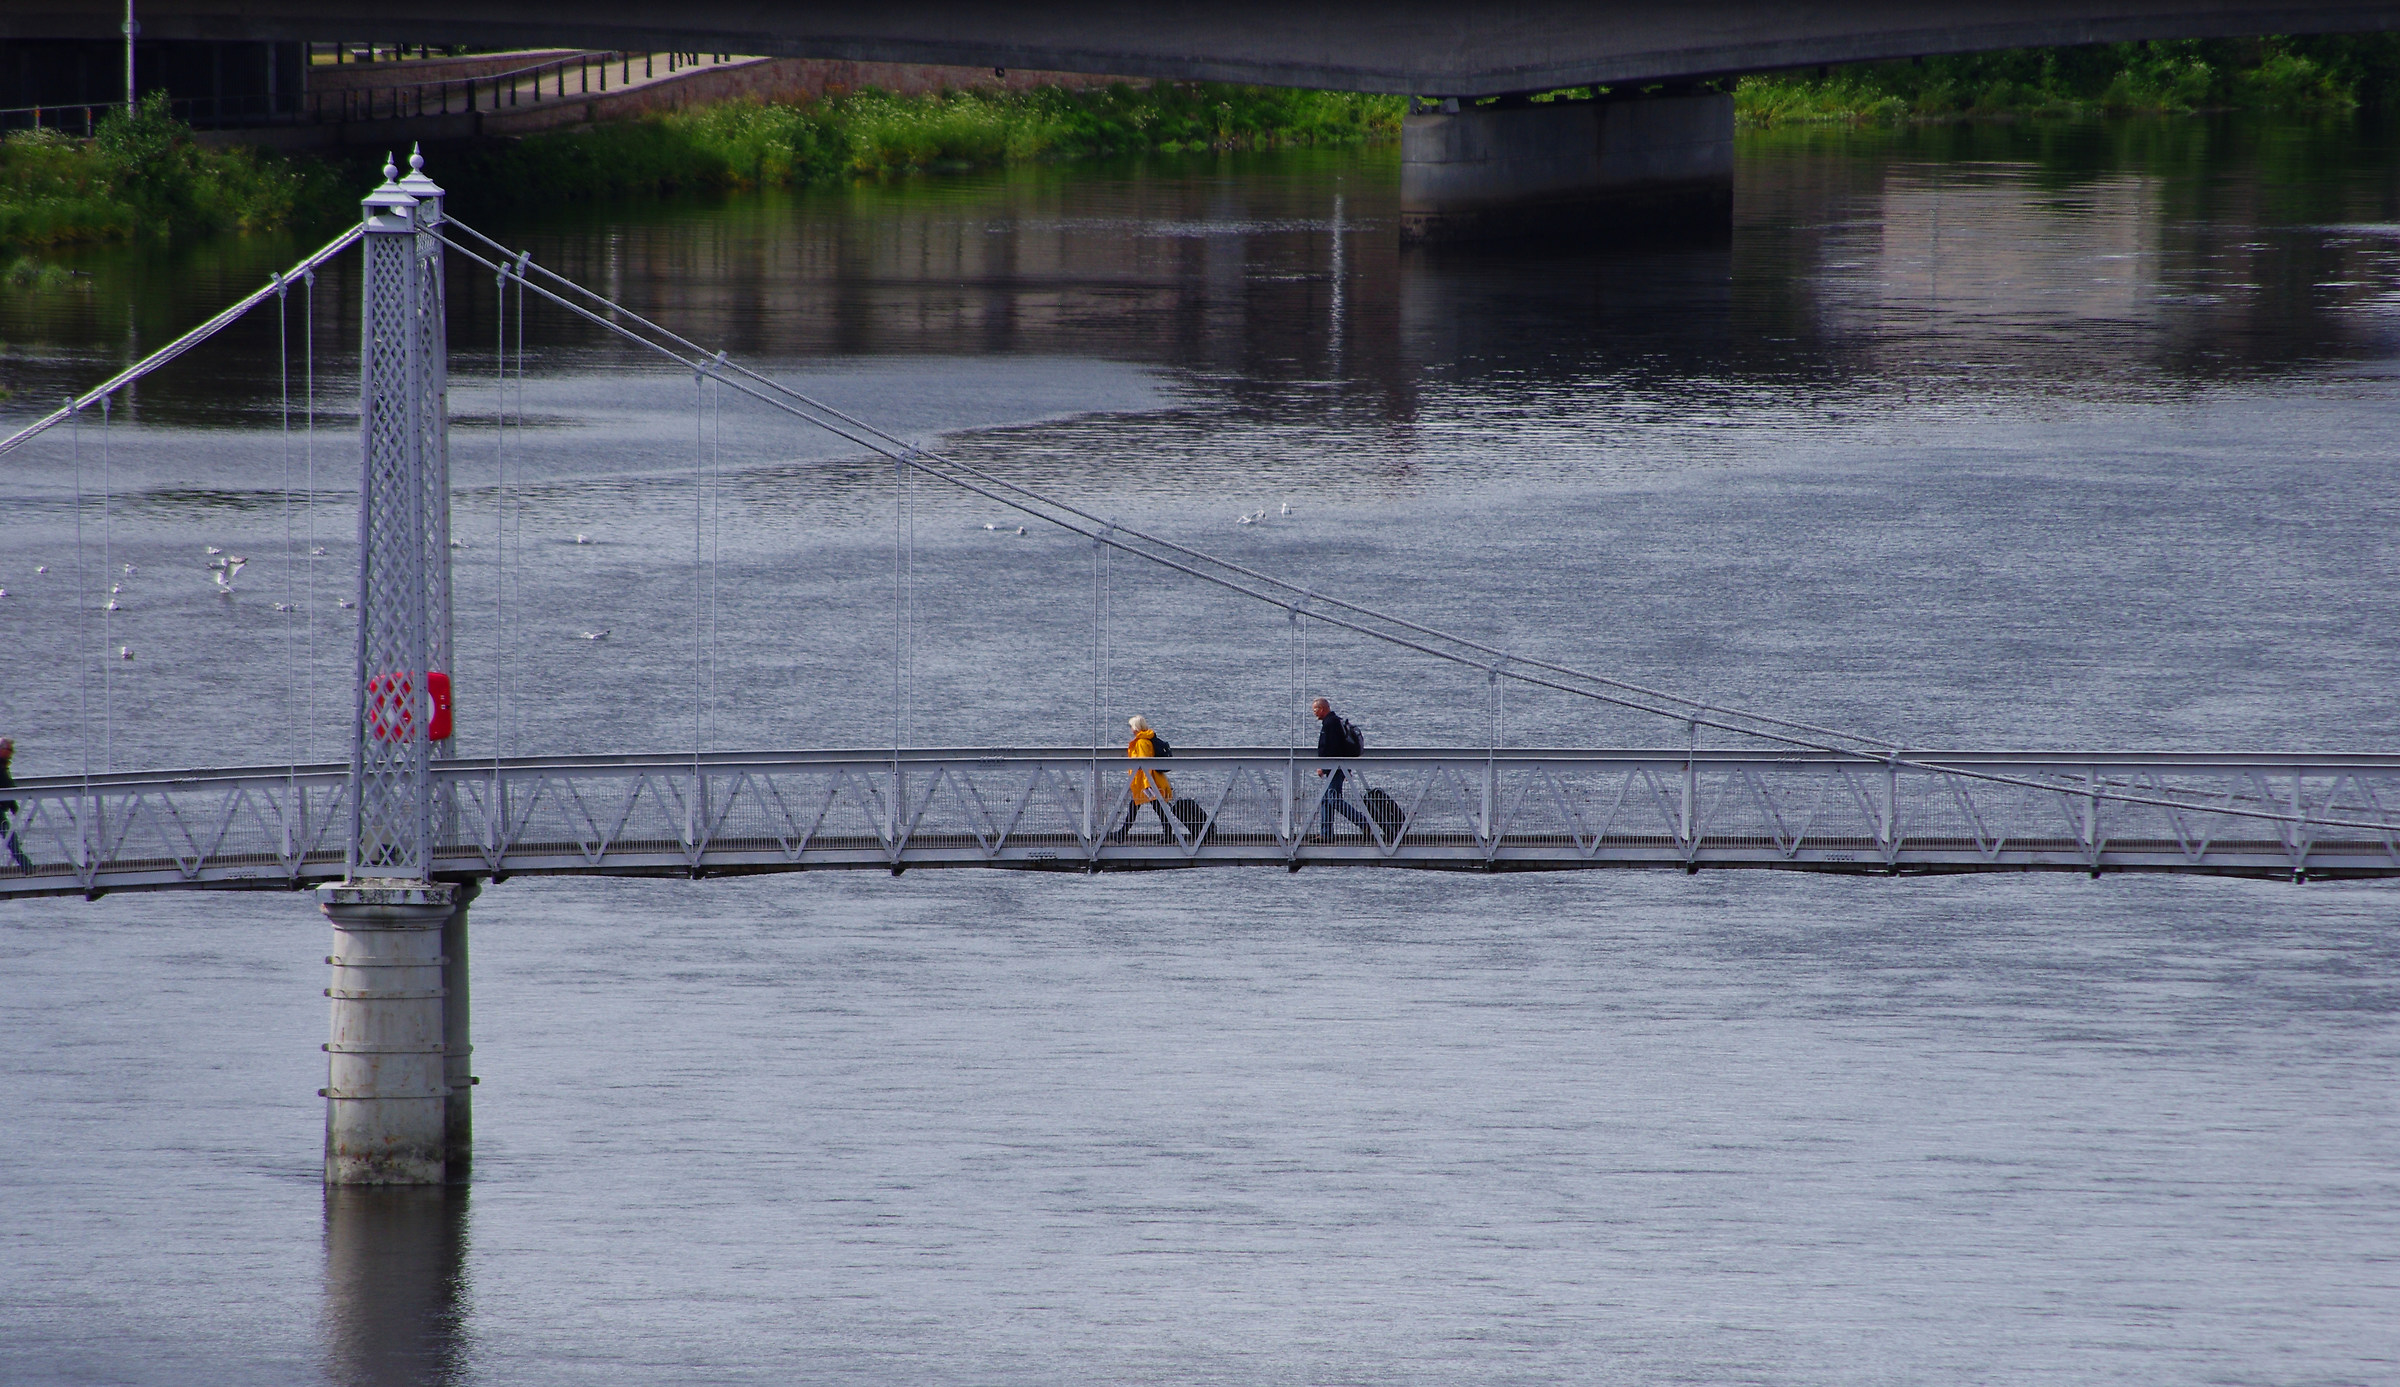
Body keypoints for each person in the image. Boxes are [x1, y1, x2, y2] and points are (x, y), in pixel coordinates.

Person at [1310, 697, 1372, 842]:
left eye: (1315, 709)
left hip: (1335, 768)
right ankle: (1326, 834)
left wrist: (1324, 767)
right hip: (1337, 767)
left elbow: (1333, 748)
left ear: (1322, 709)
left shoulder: (1330, 724)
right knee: (1327, 799)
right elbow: (1341, 747)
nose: (1314, 713)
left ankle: (1363, 823)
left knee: (1333, 799)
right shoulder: (1334, 722)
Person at [1114, 715, 1179, 842]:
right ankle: (1123, 833)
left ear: (1136, 727)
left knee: (1147, 806)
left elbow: (1144, 764)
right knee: (1150, 807)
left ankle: (1122, 834)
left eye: (1131, 726)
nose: (1131, 729)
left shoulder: (1142, 742)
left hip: (1147, 783)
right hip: (1148, 781)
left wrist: (1146, 784)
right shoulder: (1147, 739)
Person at [0, 736, 32, 873]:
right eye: (10, 750)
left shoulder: (3, 766)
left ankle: (27, 866)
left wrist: (13, 806)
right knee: (11, 839)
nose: (12, 753)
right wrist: (13, 805)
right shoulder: (2, 767)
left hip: (1, 809)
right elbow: (6, 786)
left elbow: (7, 787)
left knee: (11, 838)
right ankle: (27, 867)